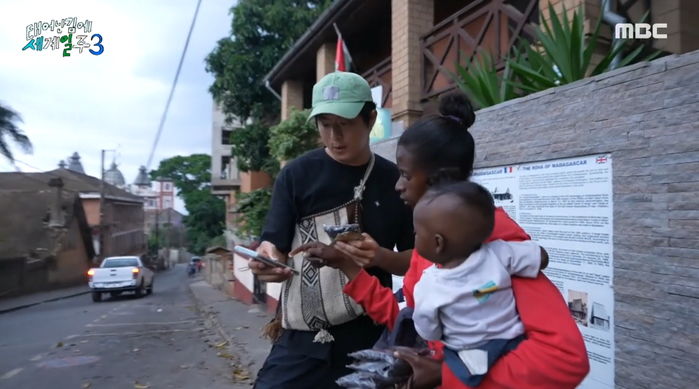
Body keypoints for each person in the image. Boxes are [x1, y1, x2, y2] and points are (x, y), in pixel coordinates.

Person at [330, 93, 590, 388]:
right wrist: (349, 268)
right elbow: (411, 323)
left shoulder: (493, 246)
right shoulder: (434, 243)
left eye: (404, 174)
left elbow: (566, 358)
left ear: (438, 179)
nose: (397, 185)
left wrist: (448, 374)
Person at [249, 71, 414, 389]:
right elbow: (274, 244)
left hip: (370, 336)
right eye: (326, 125)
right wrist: (267, 259)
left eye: (345, 124)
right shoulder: (296, 175)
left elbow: (413, 260)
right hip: (302, 335)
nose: (335, 136)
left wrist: (379, 257)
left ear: (370, 118)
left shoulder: (395, 182)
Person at [412, 181, 548, 387]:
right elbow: (541, 257)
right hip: (513, 341)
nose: (415, 238)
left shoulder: (429, 285)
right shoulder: (499, 253)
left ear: (438, 243)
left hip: (468, 350)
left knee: (448, 368)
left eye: (417, 234)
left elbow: (428, 330)